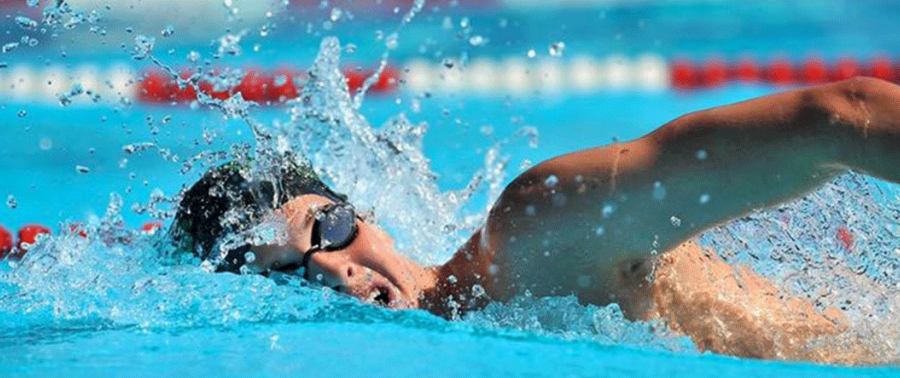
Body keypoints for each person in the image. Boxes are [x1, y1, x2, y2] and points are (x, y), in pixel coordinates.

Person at [170, 77, 900, 365]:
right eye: (290, 276)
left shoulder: (537, 232)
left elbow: (840, 118)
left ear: (367, 215)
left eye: (327, 232)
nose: (331, 270)